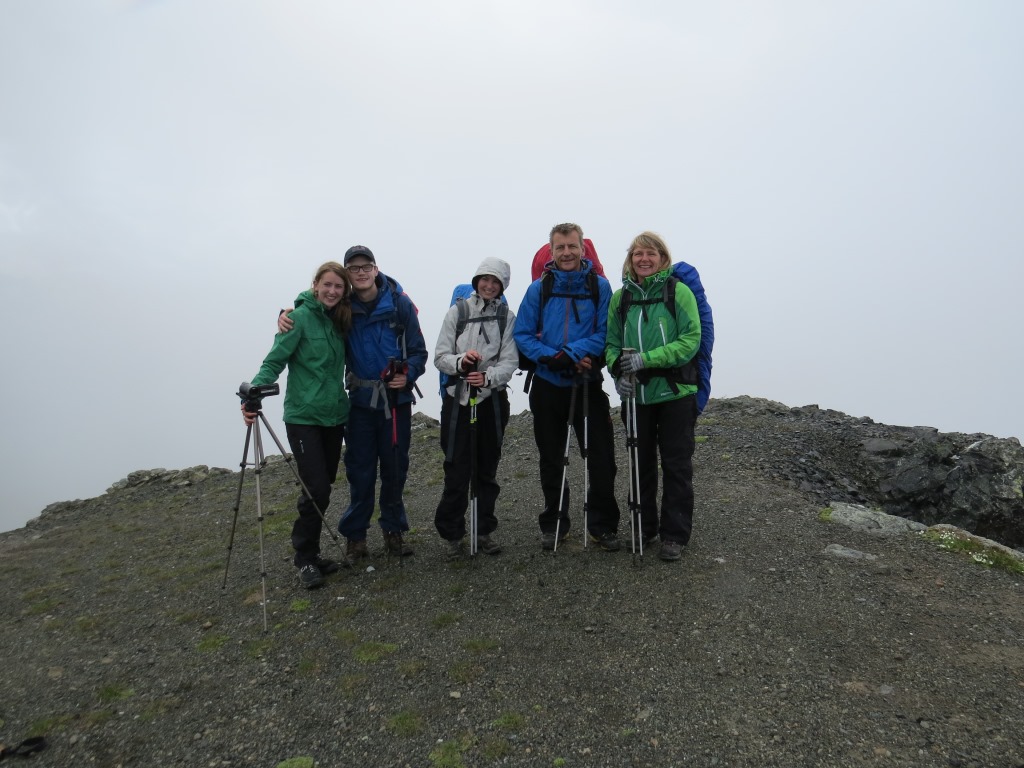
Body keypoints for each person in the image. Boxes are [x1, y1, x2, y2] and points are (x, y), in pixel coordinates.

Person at [278, 245, 427, 561]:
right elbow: (313, 309)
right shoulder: (341, 307)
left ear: (375, 269)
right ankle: (356, 536)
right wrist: (287, 312)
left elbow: (418, 351)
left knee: (395, 468)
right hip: (359, 404)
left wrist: (408, 374)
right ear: (347, 273)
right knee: (360, 471)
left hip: (395, 402)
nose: (360, 272)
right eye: (354, 268)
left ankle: (393, 530)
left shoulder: (399, 304)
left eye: (366, 266)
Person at [513, 223, 621, 551]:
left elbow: (606, 332)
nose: (567, 253)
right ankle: (555, 523)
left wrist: (572, 354)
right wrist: (551, 358)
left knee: (601, 457)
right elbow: (522, 334)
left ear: (582, 249)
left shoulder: (600, 287)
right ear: (552, 251)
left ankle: (602, 526)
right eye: (560, 247)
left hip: (587, 383)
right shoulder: (539, 289)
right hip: (547, 384)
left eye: (572, 246)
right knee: (551, 458)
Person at [244, 262, 353, 588]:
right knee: (315, 488)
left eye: (338, 286)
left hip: (334, 416)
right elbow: (274, 360)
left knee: (323, 487)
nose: (332, 291)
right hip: (303, 417)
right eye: (327, 285)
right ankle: (304, 558)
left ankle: (313, 554)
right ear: (315, 285)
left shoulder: (341, 319)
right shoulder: (299, 318)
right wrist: (253, 392)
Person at [606, 232, 701, 561]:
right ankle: (643, 528)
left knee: (676, 465)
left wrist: (647, 360)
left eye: (650, 253)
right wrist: (617, 373)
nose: (644, 259)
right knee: (639, 464)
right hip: (637, 397)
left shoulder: (678, 292)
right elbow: (611, 344)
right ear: (630, 260)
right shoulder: (620, 299)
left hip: (676, 394)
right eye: (638, 254)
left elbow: (691, 339)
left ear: (662, 258)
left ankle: (674, 535)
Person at [433, 258, 518, 557]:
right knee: (456, 468)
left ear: (502, 286)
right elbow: (440, 356)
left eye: (496, 281)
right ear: (476, 280)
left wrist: (488, 377)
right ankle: (452, 535)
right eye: (485, 279)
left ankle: (483, 531)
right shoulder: (458, 312)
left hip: (491, 400)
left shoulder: (507, 317)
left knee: (486, 468)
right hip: (457, 399)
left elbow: (510, 361)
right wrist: (461, 362)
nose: (489, 285)